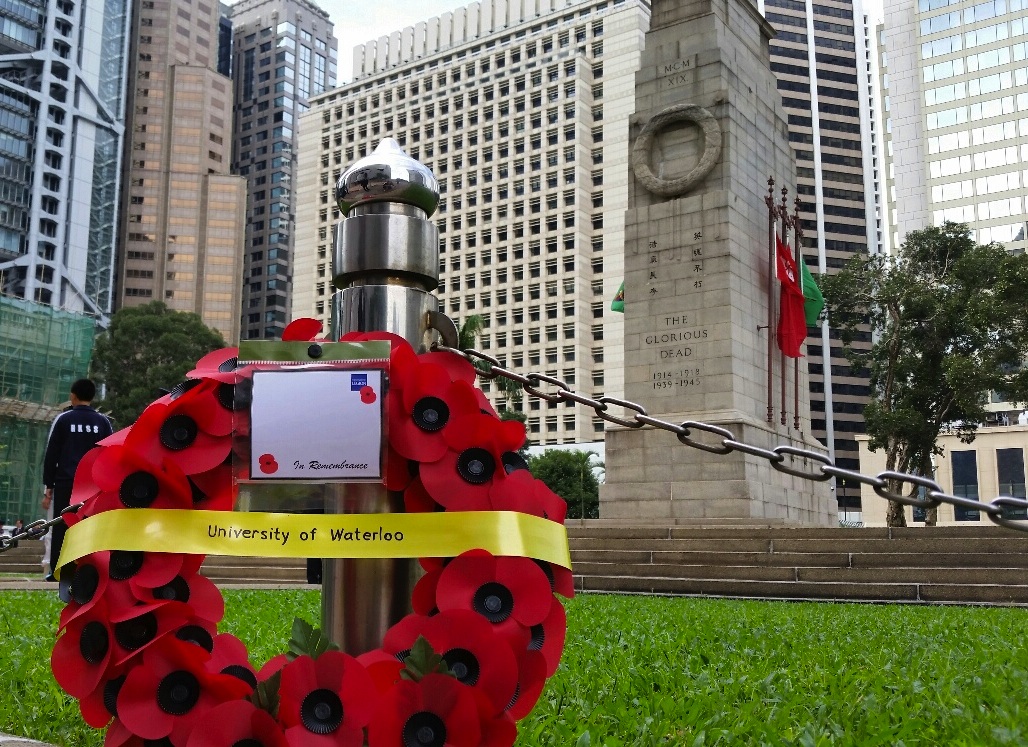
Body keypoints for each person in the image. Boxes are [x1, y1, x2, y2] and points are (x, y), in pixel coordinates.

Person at [42, 379, 113, 581]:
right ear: (92, 397)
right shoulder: (103, 422)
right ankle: (89, 570)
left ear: (73, 396)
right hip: (93, 484)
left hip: (66, 482)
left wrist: (49, 485)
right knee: (89, 525)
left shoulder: (63, 420)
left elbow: (51, 454)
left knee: (61, 525)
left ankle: (58, 570)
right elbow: (109, 453)